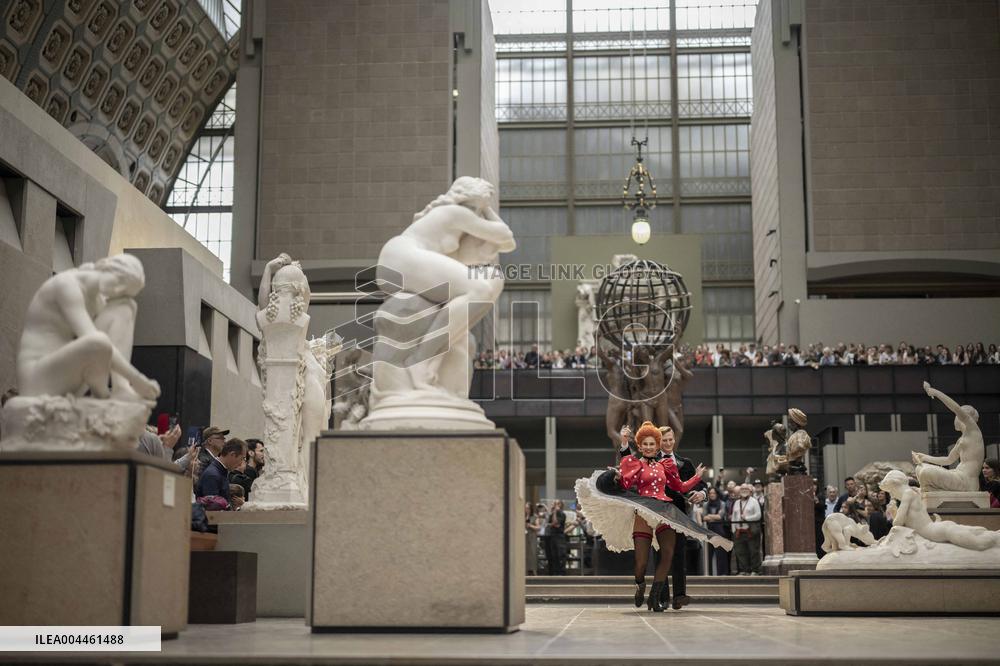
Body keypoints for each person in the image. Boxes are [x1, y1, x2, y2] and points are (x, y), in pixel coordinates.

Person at [575, 422, 730, 612]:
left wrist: (697, 477)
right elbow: (624, 480)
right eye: (645, 444)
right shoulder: (636, 464)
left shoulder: (667, 465)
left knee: (669, 553)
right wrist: (624, 444)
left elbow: (680, 487)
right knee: (641, 562)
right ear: (640, 446)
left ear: (657, 446)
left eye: (652, 444)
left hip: (666, 512)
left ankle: (655, 597)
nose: (649, 447)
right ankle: (640, 585)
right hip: (645, 511)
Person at [654, 425, 707, 610]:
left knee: (678, 555)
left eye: (670, 439)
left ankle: (679, 596)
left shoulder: (685, 462)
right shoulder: (650, 461)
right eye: (664, 440)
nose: (668, 443)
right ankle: (661, 598)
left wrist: (702, 494)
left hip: (680, 515)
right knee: (660, 555)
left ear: (674, 439)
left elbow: (702, 486)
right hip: (657, 513)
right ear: (658, 441)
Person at [912, 382, 984, 492]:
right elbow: (948, 460)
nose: (955, 417)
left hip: (966, 481)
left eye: (958, 415)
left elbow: (956, 408)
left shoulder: (974, 431)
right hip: (957, 475)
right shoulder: (963, 438)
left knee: (926, 472)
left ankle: (931, 489)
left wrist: (935, 393)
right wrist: (924, 457)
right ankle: (932, 490)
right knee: (920, 468)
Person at [196, 438, 246, 510]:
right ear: (232, 454)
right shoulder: (213, 475)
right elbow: (212, 509)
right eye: (242, 458)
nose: (241, 463)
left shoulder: (221, 471)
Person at [731, 483, 762, 575]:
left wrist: (747, 518)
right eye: (742, 489)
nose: (744, 490)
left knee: (753, 551)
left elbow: (758, 515)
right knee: (740, 552)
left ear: (750, 491)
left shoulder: (754, 501)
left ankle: (755, 570)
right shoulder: (736, 502)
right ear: (739, 492)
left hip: (751, 531)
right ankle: (744, 570)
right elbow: (733, 516)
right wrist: (733, 530)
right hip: (738, 531)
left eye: (746, 489)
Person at [702, 487, 729, 575]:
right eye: (710, 493)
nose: (712, 495)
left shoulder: (722, 503)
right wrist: (714, 516)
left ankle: (722, 573)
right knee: (709, 554)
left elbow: (720, 517)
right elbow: (704, 517)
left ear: (717, 494)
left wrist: (710, 516)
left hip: (720, 531)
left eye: (714, 493)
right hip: (709, 532)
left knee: (721, 554)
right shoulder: (706, 504)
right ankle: (709, 574)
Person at [545, 500, 567, 575]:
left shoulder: (562, 514)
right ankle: (555, 573)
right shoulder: (552, 514)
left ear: (561, 505)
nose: (555, 505)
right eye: (555, 503)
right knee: (553, 555)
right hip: (552, 536)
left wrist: (555, 512)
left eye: (557, 503)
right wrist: (552, 512)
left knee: (560, 555)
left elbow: (556, 523)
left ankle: (561, 573)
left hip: (559, 536)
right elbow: (549, 524)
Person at [525, 502, 541, 576]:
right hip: (524, 538)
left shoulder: (535, 517)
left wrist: (530, 526)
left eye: (528, 508)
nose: (526, 509)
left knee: (532, 554)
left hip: (532, 537)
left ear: (531, 509)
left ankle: (534, 572)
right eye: (525, 508)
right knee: (525, 554)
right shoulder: (523, 516)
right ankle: (525, 572)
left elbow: (538, 528)